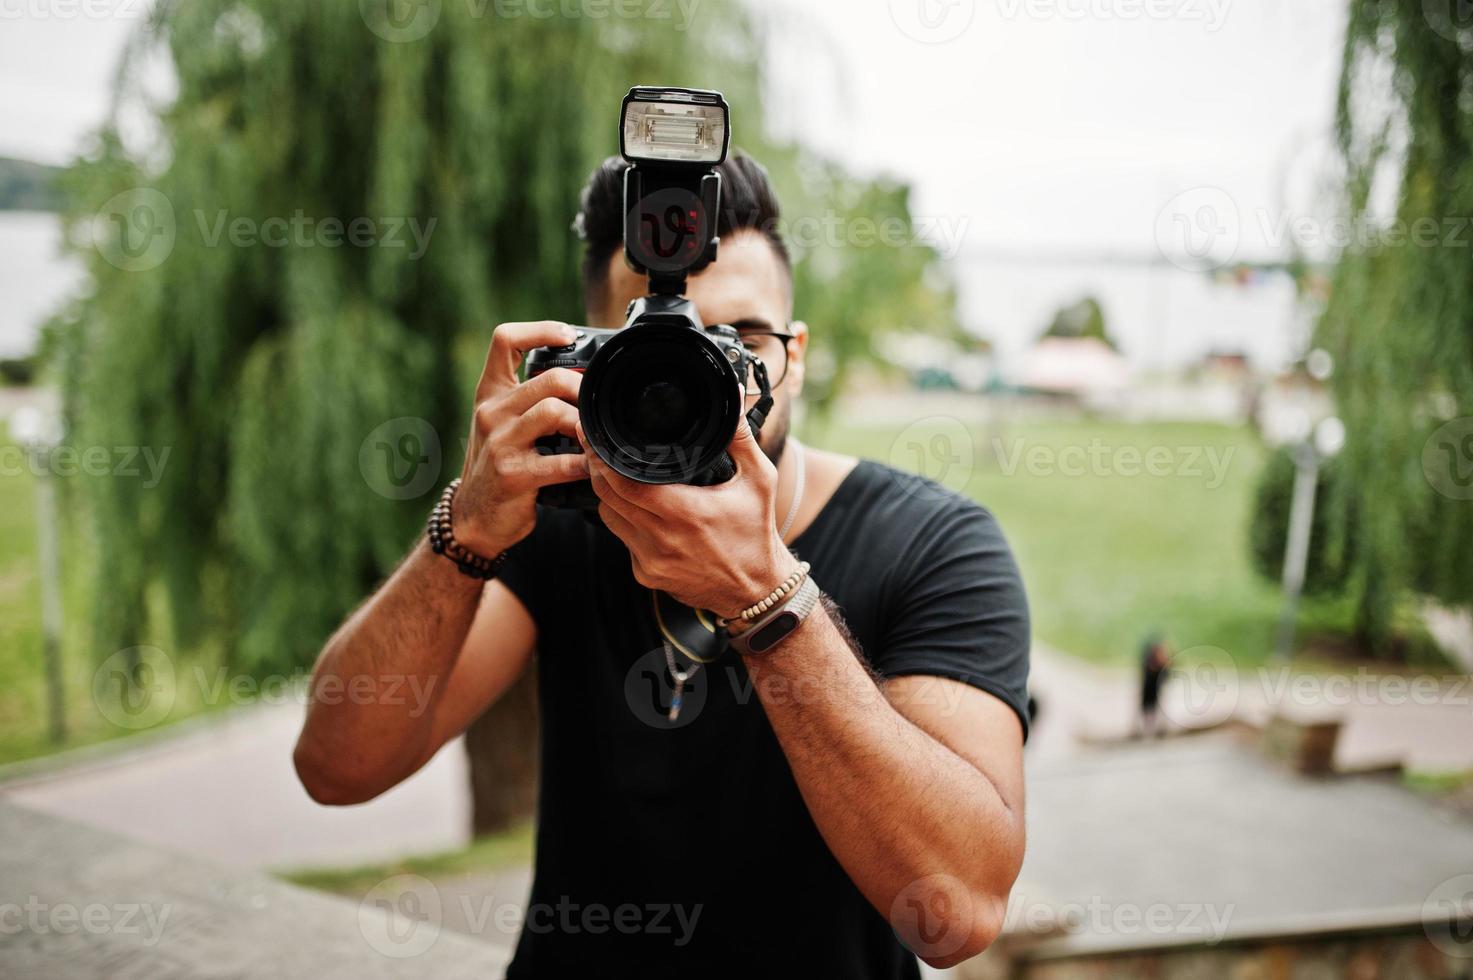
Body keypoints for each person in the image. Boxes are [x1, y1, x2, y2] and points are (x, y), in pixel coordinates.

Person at [293, 153, 1032, 978]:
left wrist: (763, 595)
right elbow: (336, 767)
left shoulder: (934, 543)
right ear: (591, 361)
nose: (709, 373)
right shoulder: (556, 518)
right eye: (662, 348)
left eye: (741, 339)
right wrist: (464, 528)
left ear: (797, 351)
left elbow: (955, 910)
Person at [1139, 633, 1170, 737]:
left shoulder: (1160, 662)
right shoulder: (1148, 662)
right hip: (1149, 687)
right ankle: (1149, 730)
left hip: (1155, 688)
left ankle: (1158, 729)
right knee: (1148, 707)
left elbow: (1167, 674)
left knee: (1156, 707)